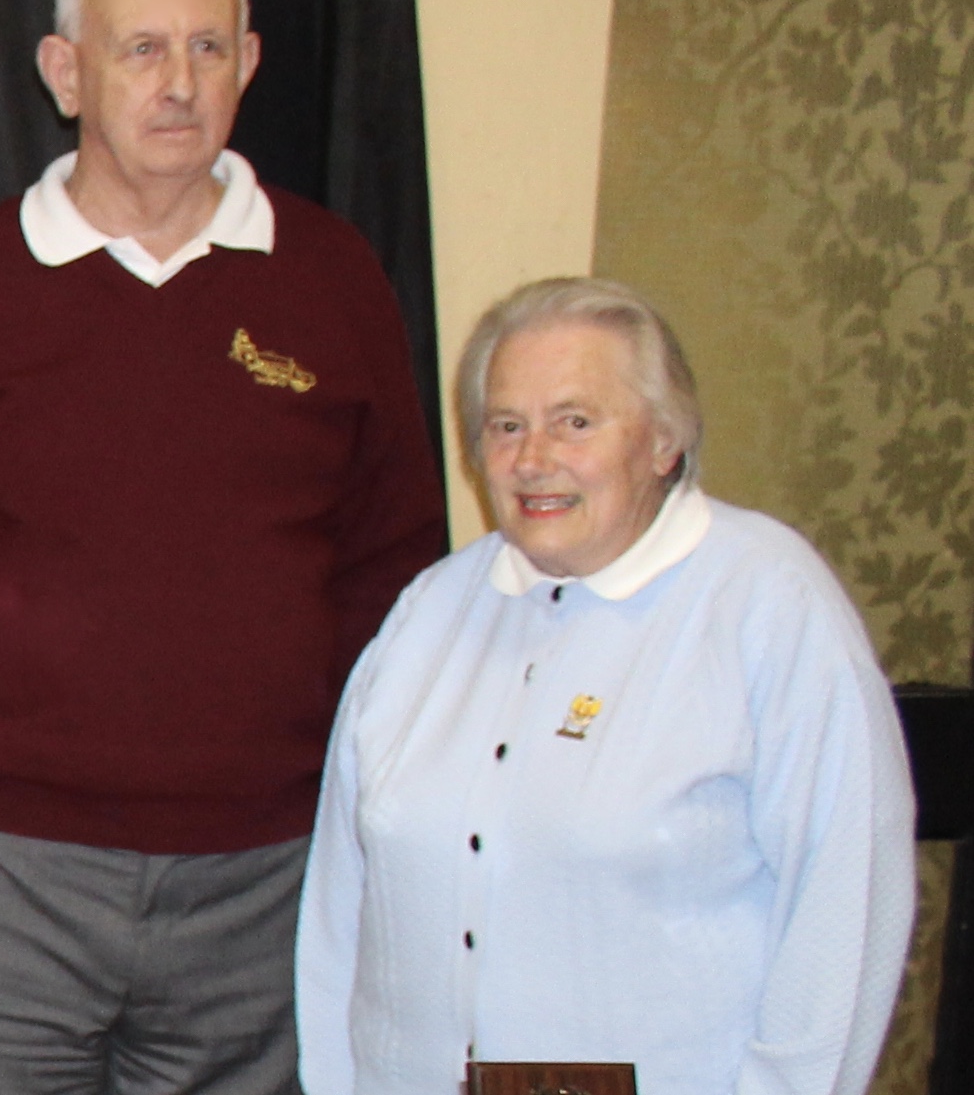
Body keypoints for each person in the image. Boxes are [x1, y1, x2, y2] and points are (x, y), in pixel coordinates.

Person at [0, 0, 448, 1095]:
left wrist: (375, 830)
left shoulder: (331, 282)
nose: (177, 82)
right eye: (140, 47)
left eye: (206, 46)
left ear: (247, 63)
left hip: (263, 877)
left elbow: (393, 581)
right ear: (64, 71)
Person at [296, 278, 914, 1095]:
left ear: (664, 439)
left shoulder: (767, 604)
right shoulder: (428, 613)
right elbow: (340, 906)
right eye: (506, 425)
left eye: (575, 421)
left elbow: (845, 908)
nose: (532, 458)